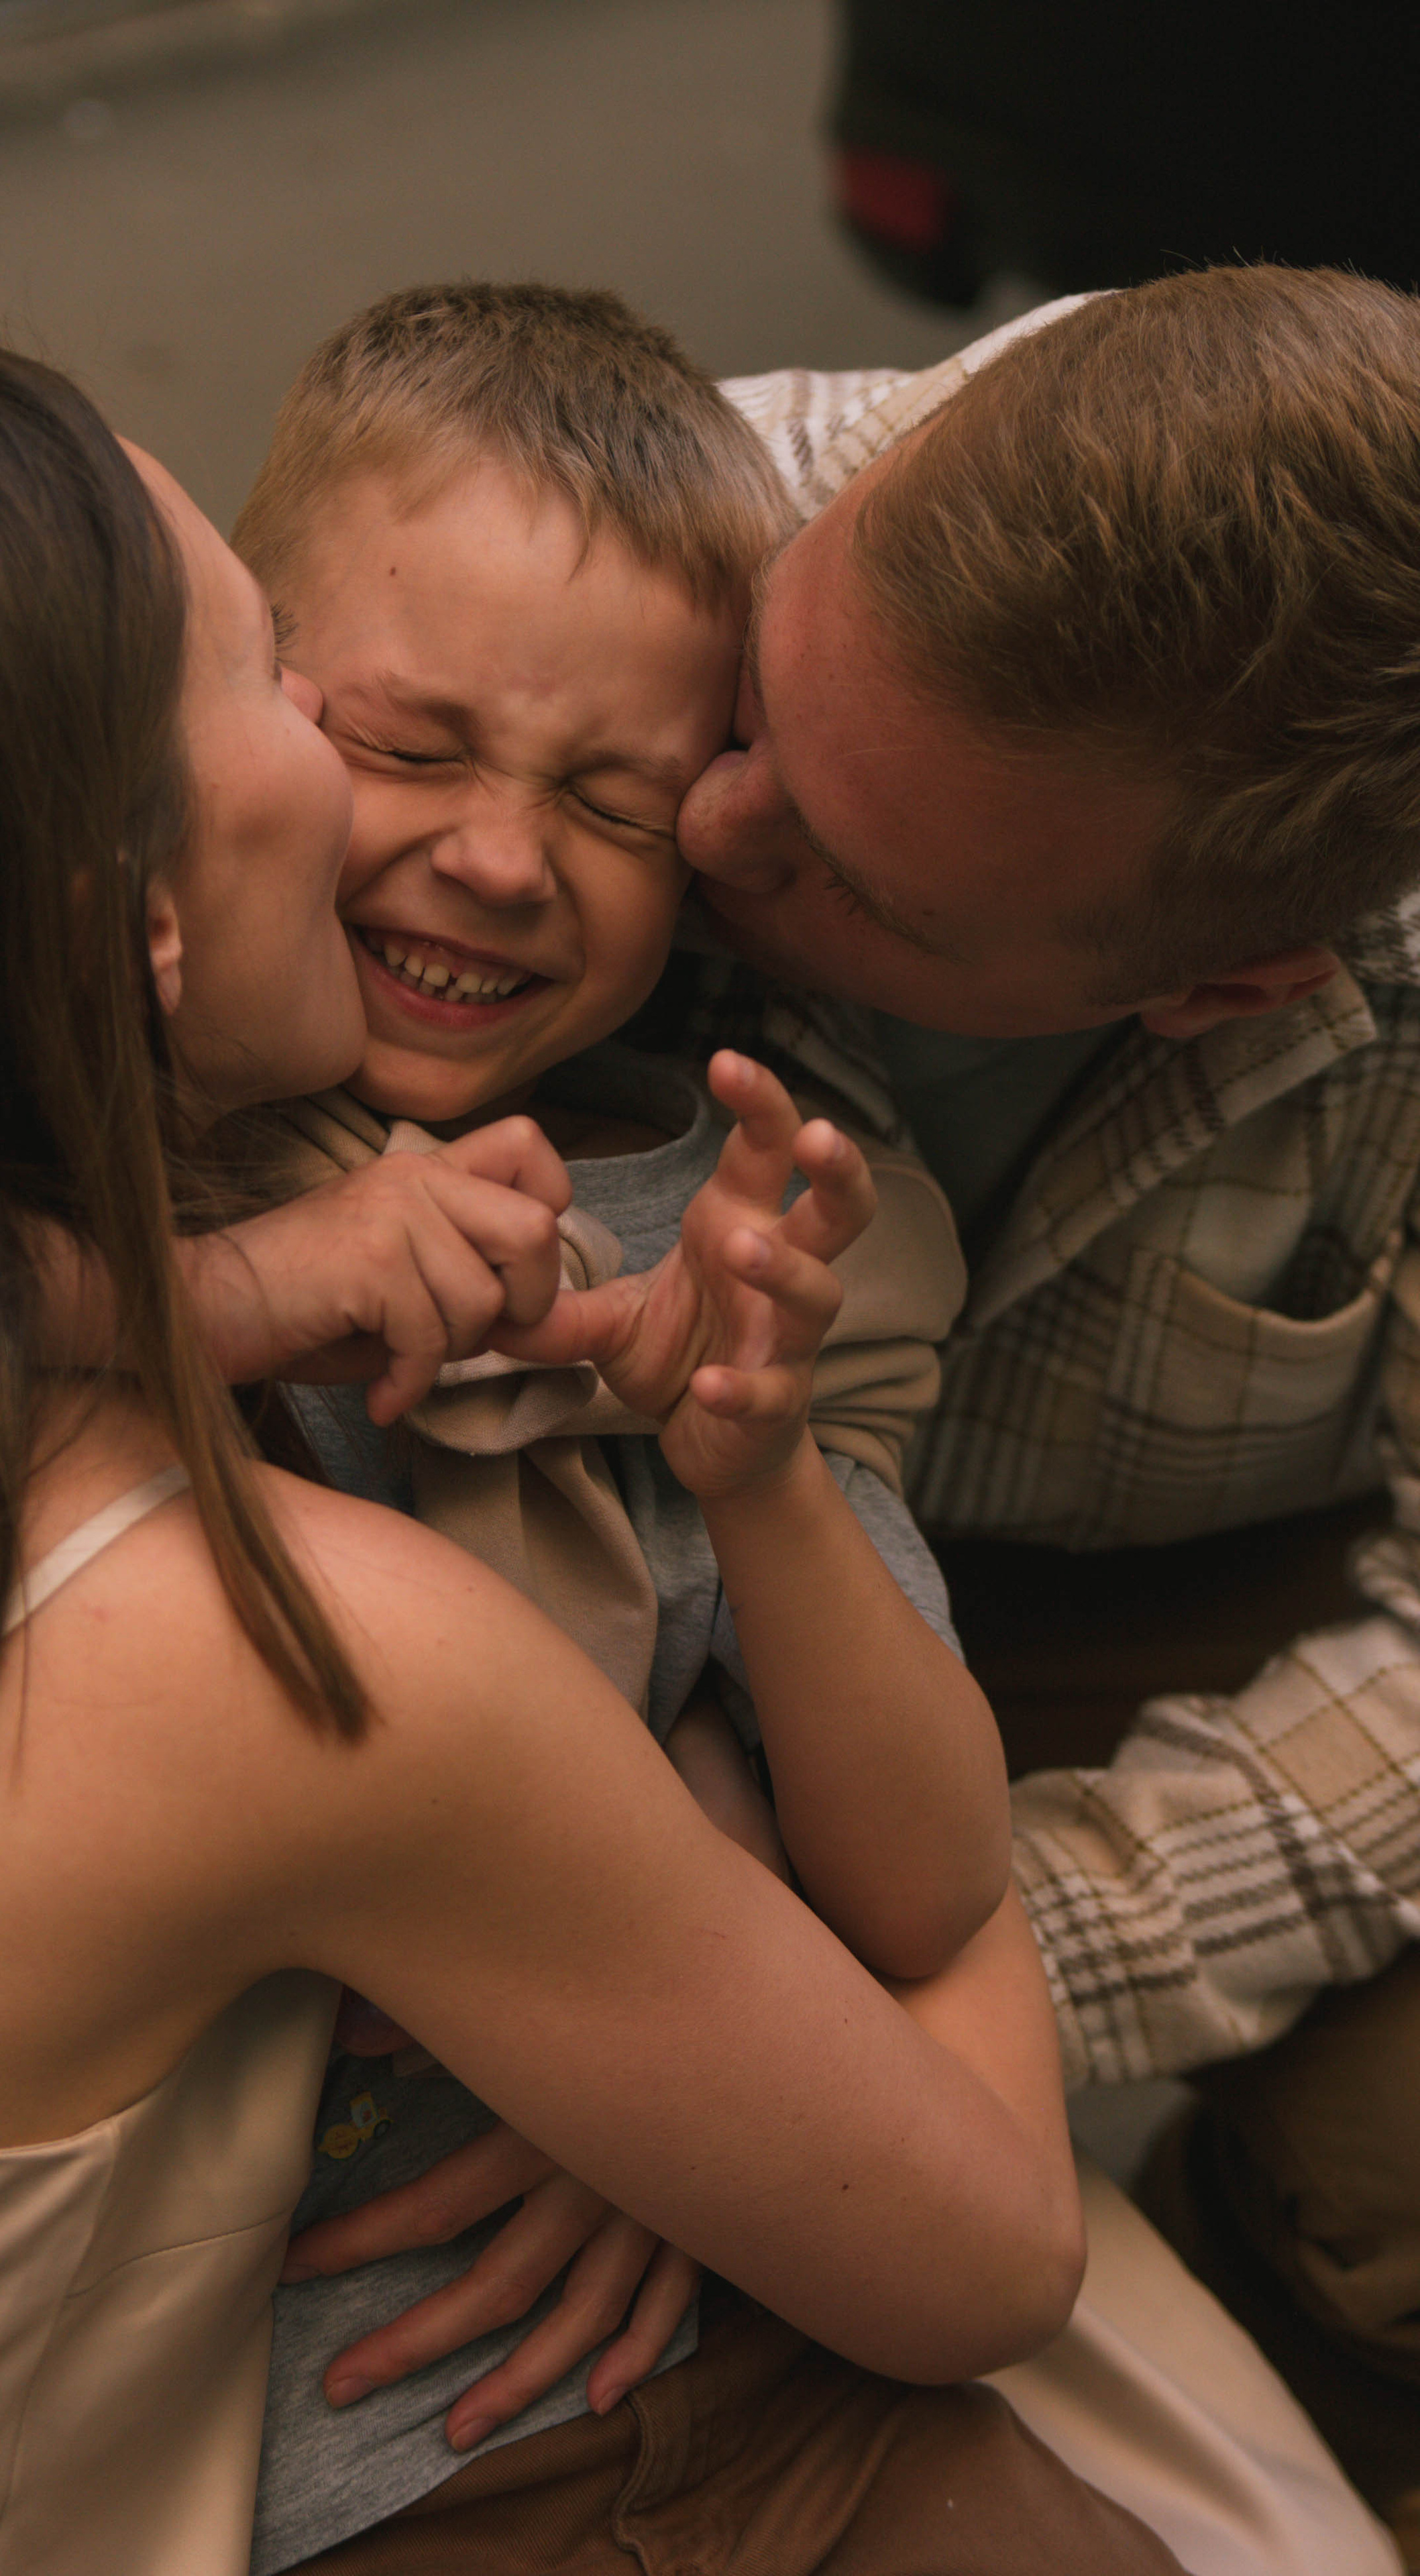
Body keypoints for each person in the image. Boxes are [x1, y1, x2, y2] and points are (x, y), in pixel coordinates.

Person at [0, 336, 1186, 2576]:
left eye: (615, 797)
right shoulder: (286, 1654)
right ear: (142, 916)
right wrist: (711, 1873)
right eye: (311, 705)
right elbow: (980, 2255)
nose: (478, 854)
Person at [206, 284, 1001, 2564]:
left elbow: (933, 1874)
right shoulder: (66, 1141)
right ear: (232, 710)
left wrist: (760, 1490)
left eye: (609, 799)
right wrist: (246, 1282)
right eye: (406, 739)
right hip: (324, 2466)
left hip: (763, 2338)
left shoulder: (745, 1224)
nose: (496, 854)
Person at [667, 262, 1420, 2546]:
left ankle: (1284, 2297)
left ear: (1226, 984)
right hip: (617, 1573)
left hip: (1131, 1619)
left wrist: (977, 1998)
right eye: (753, 703)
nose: (702, 829)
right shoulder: (642, 506)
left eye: (848, 875)